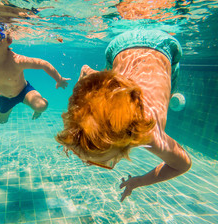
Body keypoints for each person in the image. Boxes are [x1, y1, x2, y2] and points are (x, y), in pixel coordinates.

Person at [55, 29, 191, 202]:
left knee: (129, 88)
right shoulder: (125, 127)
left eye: (103, 162)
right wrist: (82, 84)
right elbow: (81, 107)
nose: (90, 164)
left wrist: (138, 181)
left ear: (126, 145)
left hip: (163, 46)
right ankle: (87, 72)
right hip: (119, 47)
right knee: (109, 91)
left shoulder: (149, 136)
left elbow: (182, 165)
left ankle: (89, 74)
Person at [0, 23, 70, 127]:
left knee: (41, 106)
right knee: (2, 121)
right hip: (5, 98)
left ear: (8, 41)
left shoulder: (17, 61)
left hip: (24, 91)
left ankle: (37, 108)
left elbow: (43, 64)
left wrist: (59, 79)